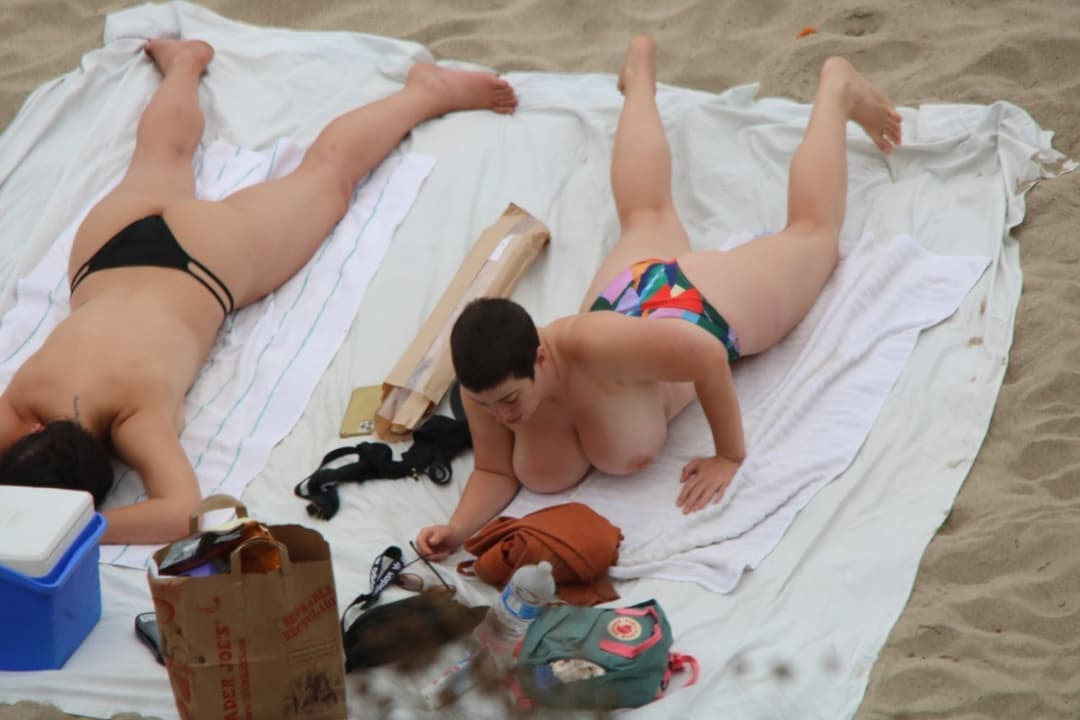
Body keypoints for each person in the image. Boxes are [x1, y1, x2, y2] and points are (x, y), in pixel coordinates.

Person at [0, 38, 517, 545]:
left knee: (330, 178)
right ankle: (183, 65)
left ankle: (428, 93)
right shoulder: (21, 405)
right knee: (162, 155)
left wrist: (74, 531)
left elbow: (181, 511)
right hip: (106, 253)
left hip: (206, 264)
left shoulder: (132, 422)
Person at [416, 36, 902, 561]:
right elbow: (493, 469)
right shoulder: (483, 382)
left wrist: (729, 456)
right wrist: (457, 528)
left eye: (509, 401)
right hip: (624, 298)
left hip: (696, 307)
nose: (501, 416)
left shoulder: (588, 345)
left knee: (813, 235)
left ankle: (836, 90)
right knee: (646, 215)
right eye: (488, 406)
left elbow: (705, 356)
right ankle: (639, 77)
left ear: (540, 356)